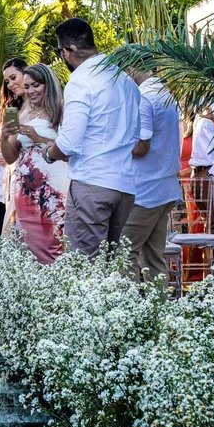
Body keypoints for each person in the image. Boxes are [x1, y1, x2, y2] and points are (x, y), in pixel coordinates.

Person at [42, 18, 140, 257]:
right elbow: (136, 132)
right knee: (112, 268)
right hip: (125, 185)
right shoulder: (125, 79)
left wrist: (49, 153)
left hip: (92, 183)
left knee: (84, 269)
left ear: (68, 51)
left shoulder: (81, 81)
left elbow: (69, 143)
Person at [1, 64, 69, 263]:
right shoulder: (22, 113)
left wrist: (37, 137)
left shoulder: (60, 111)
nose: (31, 91)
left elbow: (68, 151)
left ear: (48, 84)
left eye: (35, 85)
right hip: (26, 194)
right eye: (27, 86)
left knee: (56, 245)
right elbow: (10, 157)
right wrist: (4, 138)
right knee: (28, 248)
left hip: (54, 193)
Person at [121, 70, 183, 284]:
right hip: (165, 186)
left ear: (131, 68)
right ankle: (159, 310)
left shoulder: (144, 96)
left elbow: (142, 146)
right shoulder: (165, 93)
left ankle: (127, 312)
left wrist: (114, 147)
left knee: (124, 254)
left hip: (146, 191)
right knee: (153, 258)